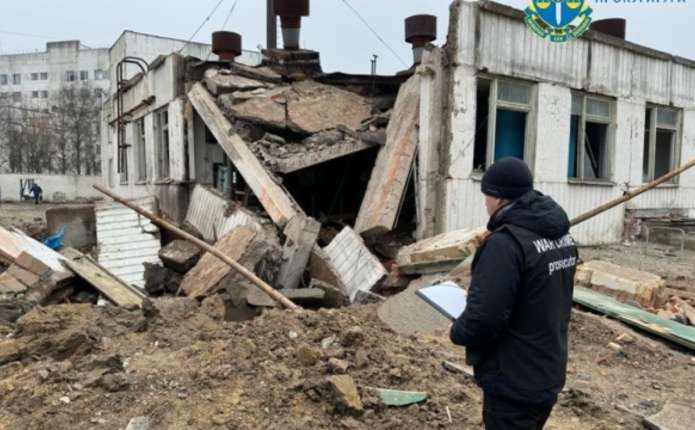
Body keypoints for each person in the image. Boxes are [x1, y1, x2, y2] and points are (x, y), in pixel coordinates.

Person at [450, 157, 577, 429]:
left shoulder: (505, 244)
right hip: (547, 369)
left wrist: (458, 330)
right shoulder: (561, 235)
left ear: (498, 198)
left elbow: (484, 319)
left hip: (513, 380)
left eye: (486, 196)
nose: (485, 203)